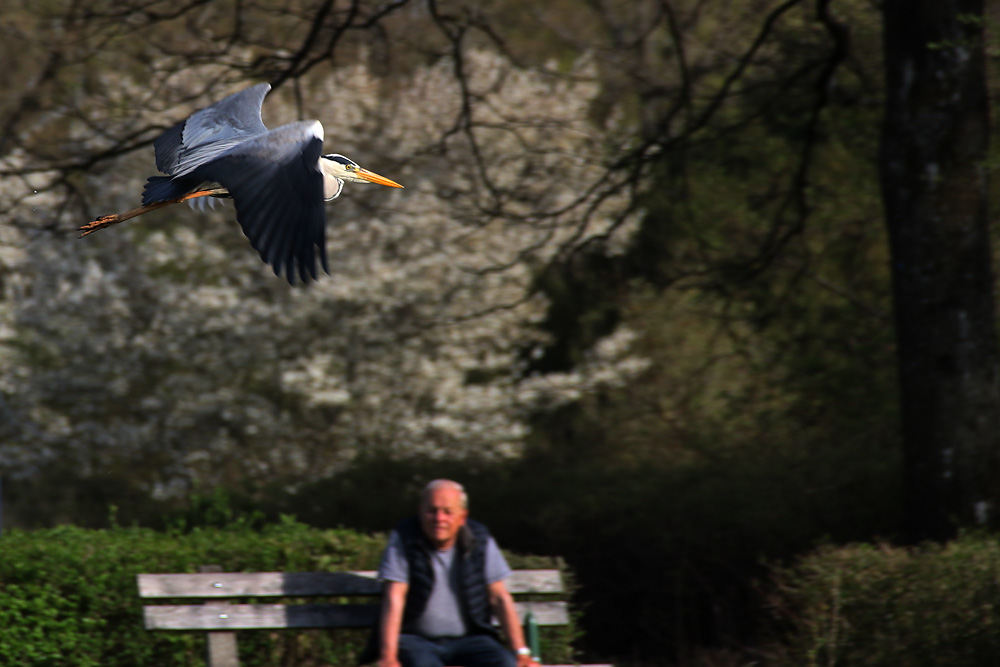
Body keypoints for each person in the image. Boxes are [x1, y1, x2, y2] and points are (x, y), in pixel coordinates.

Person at [363, 479, 539, 667]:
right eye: (432, 510)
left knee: (506, 664)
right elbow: (395, 596)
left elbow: (499, 597)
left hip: (471, 640)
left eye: (448, 512)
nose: (439, 519)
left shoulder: (479, 539)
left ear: (462, 517)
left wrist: (520, 652)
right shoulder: (404, 537)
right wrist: (388, 656)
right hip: (415, 641)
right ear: (420, 512)